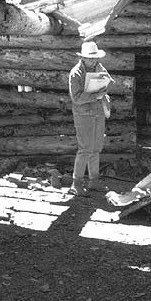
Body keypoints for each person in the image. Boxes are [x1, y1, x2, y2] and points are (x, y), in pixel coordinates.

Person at [67, 41, 112, 196]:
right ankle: (76, 183)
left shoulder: (99, 68)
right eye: (90, 58)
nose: (93, 61)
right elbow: (77, 98)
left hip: (98, 113)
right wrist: (95, 95)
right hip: (83, 114)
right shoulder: (76, 73)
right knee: (85, 149)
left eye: (95, 58)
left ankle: (94, 181)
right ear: (83, 58)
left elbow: (107, 82)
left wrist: (103, 89)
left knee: (96, 148)